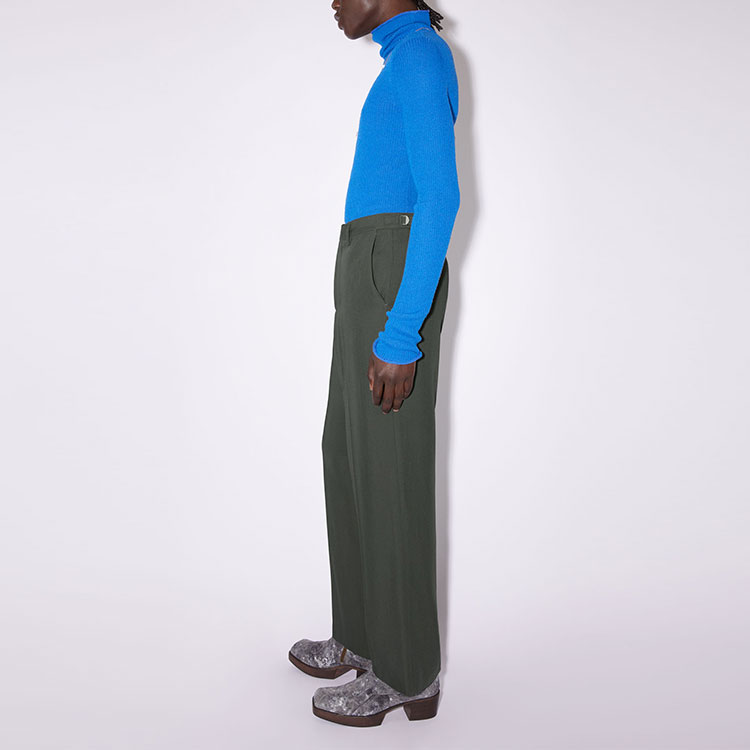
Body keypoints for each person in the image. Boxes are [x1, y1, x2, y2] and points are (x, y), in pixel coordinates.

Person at [288, 0, 460, 727]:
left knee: (390, 467)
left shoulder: (419, 56)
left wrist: (400, 335)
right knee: (349, 455)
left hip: (392, 266)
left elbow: (440, 198)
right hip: (369, 261)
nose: (332, 2)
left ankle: (408, 671)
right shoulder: (402, 60)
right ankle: (362, 637)